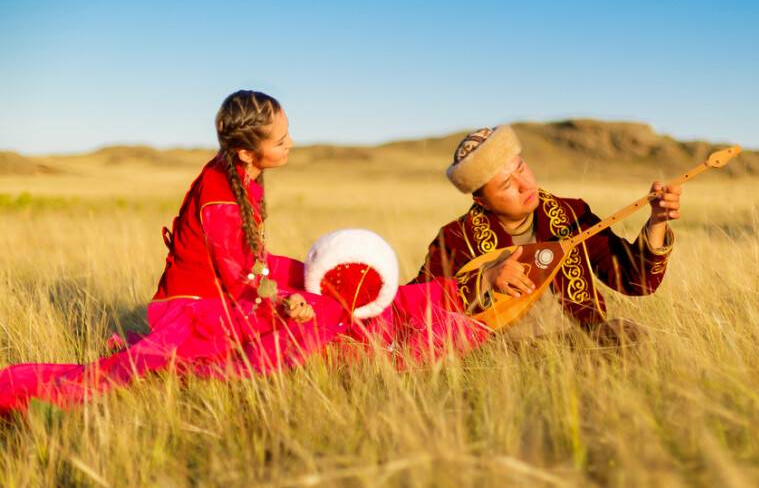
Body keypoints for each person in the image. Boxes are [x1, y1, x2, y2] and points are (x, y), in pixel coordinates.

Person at [0, 91, 486, 416]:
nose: (291, 142)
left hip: (233, 284)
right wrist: (285, 302)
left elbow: (251, 261)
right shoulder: (220, 195)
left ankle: (431, 303)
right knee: (318, 309)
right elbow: (239, 278)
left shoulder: (244, 175)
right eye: (281, 139)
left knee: (339, 278)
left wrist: (297, 278)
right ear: (248, 152)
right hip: (194, 305)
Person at [412, 125, 680, 342]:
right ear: (481, 200)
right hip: (502, 354)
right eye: (507, 184)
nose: (525, 185)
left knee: (630, 335)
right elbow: (416, 308)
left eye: (521, 168)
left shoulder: (572, 214)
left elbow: (637, 281)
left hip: (583, 341)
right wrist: (484, 280)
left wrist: (657, 220)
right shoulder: (457, 237)